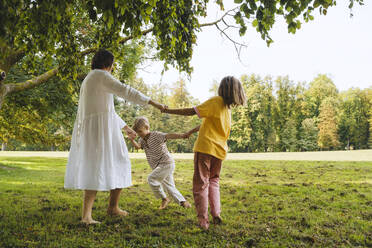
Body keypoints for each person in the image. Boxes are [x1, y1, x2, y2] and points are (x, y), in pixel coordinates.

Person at [64, 49, 165, 224]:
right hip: (100, 131)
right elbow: (126, 91)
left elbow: (106, 111)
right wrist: (153, 102)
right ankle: (87, 216)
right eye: (112, 65)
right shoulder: (100, 76)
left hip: (103, 128)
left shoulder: (91, 78)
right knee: (95, 167)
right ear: (108, 65)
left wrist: (125, 127)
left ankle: (112, 207)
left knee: (120, 161)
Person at [162, 76, 246, 230]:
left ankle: (203, 221)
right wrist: (191, 131)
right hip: (219, 152)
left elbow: (191, 111)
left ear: (222, 88)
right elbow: (207, 124)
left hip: (205, 148)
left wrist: (168, 110)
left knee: (201, 184)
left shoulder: (215, 101)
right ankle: (216, 213)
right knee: (214, 181)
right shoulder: (227, 110)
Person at [129, 116, 192, 210]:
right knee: (169, 186)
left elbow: (168, 135)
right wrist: (132, 140)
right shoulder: (141, 140)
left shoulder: (156, 135)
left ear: (147, 128)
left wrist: (182, 135)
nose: (139, 134)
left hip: (166, 163)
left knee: (151, 179)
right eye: (137, 132)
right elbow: (138, 147)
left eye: (140, 131)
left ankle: (164, 198)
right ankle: (183, 202)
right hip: (159, 166)